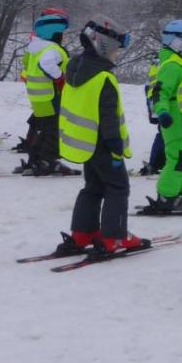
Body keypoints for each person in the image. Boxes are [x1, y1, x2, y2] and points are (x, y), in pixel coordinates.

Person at [54, 16, 145, 256]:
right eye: (116, 50)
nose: (117, 55)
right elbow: (108, 116)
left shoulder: (75, 70)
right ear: (103, 46)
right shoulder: (103, 77)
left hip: (84, 144)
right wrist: (115, 144)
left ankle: (83, 233)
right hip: (103, 144)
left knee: (93, 187)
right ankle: (113, 237)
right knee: (118, 187)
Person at [142, 20, 182, 214]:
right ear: (178, 44)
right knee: (178, 159)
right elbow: (160, 93)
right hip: (176, 123)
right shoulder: (173, 66)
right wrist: (162, 112)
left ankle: (180, 192)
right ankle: (166, 196)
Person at [17, 9, 75, 176]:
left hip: (38, 97)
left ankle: (34, 160)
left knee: (43, 130)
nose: (64, 36)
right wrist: (60, 78)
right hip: (51, 96)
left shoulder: (35, 48)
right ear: (54, 33)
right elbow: (47, 64)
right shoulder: (52, 49)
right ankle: (47, 161)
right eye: (62, 33)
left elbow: (29, 66)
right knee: (54, 130)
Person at [139, 57, 166, 176]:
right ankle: (155, 164)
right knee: (166, 131)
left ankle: (155, 163)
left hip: (155, 100)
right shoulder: (167, 61)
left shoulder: (157, 61)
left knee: (164, 131)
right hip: (162, 101)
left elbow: (148, 85)